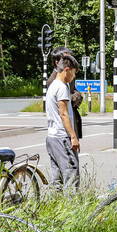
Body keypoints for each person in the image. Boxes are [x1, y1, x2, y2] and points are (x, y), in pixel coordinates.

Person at [44, 51, 81, 192]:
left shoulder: (53, 85)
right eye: (73, 73)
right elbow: (64, 114)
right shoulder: (61, 87)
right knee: (71, 173)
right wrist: (73, 136)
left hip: (52, 137)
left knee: (57, 176)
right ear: (66, 70)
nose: (74, 76)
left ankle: (56, 205)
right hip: (62, 137)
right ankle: (72, 207)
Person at [46, 47, 83, 139]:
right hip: (62, 129)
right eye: (67, 58)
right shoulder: (53, 81)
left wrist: (77, 95)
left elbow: (75, 92)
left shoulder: (69, 75)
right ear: (57, 62)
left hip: (72, 118)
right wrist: (74, 97)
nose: (71, 61)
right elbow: (62, 105)